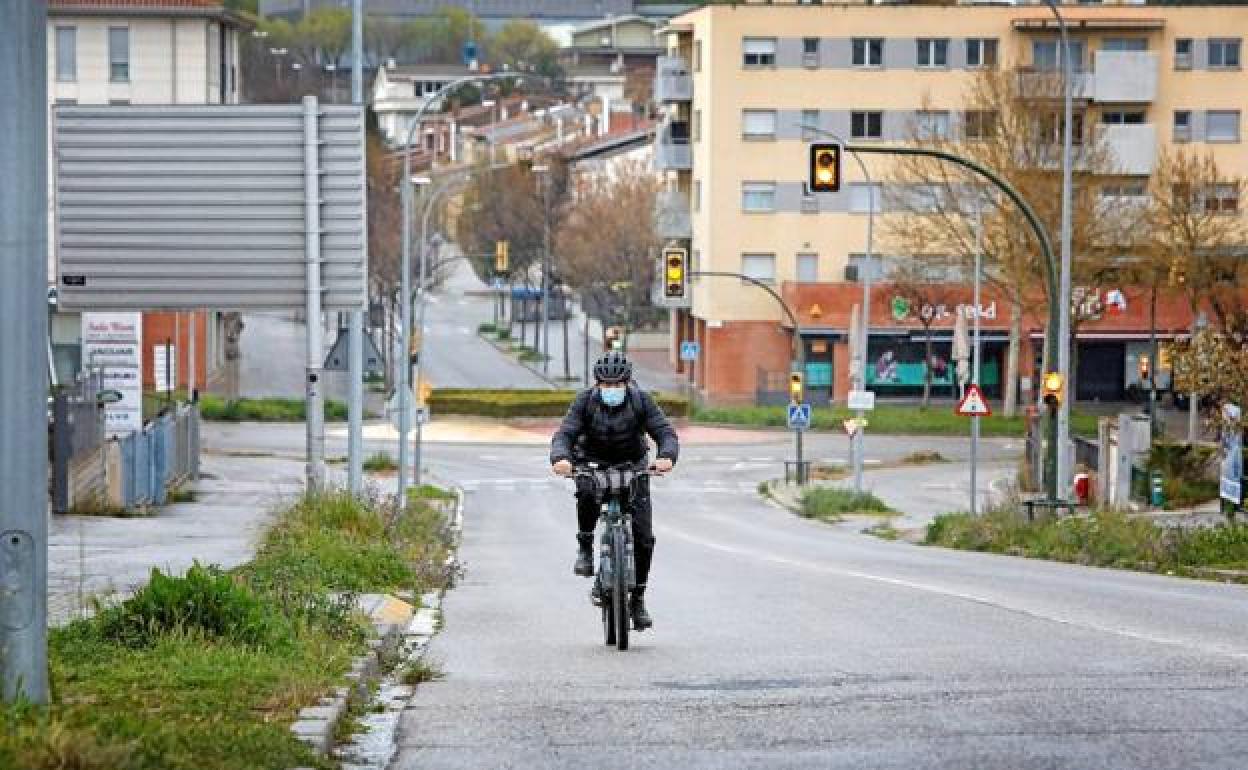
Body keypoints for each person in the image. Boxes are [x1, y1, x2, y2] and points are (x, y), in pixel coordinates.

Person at [550, 350, 679, 631]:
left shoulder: (642, 401)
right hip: (592, 465)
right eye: (606, 385)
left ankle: (638, 599)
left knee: (644, 538)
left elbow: (665, 432)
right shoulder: (584, 402)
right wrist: (561, 459)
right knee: (585, 491)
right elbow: (565, 434)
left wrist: (667, 455)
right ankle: (585, 547)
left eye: (617, 384)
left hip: (633, 467)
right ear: (597, 384)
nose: (612, 389)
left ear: (628, 382)